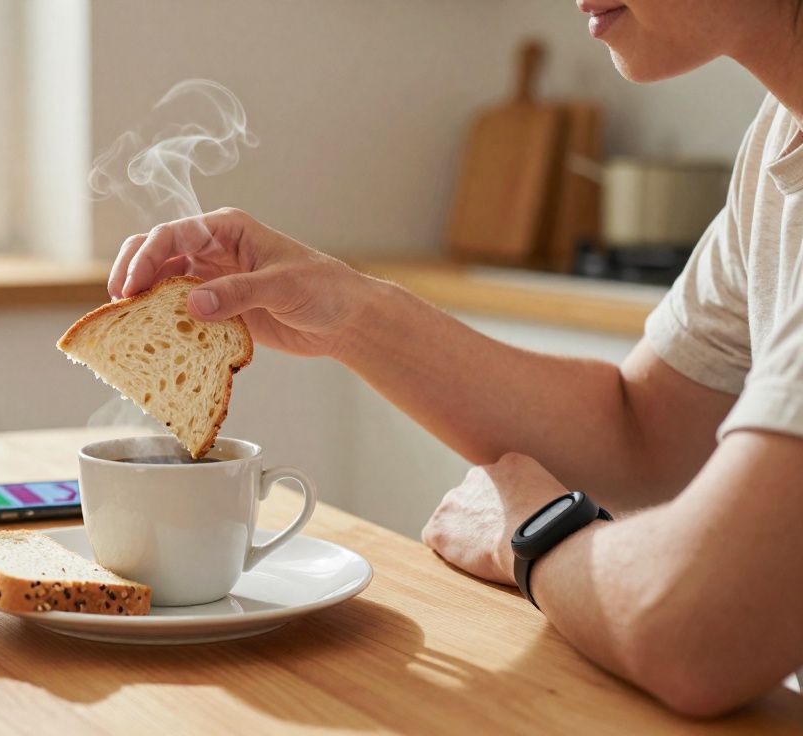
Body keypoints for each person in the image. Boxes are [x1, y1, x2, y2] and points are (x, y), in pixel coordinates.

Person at [107, 0, 803, 718]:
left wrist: (534, 535)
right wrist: (349, 313)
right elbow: (646, 434)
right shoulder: (780, 135)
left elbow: (705, 626)